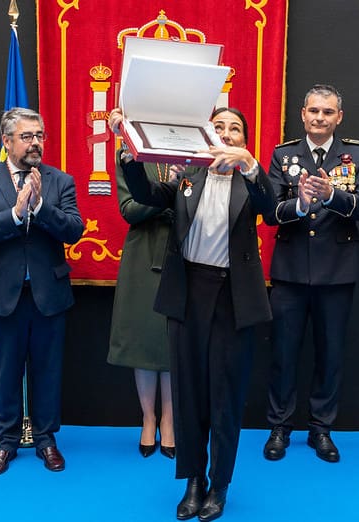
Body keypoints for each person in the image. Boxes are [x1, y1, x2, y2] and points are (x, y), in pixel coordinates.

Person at [109, 107, 275, 522]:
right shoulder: (186, 178)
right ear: (206, 136)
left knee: (225, 397)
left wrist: (251, 165)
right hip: (188, 294)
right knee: (188, 394)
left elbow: (272, 208)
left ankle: (219, 485)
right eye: (218, 127)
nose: (226, 134)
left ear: (244, 141)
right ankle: (194, 481)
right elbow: (144, 195)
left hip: (233, 298)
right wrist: (127, 149)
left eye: (235, 129)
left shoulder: (249, 181)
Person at [0, 107, 84, 475]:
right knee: (6, 373)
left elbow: (73, 230)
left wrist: (41, 206)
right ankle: (5, 442)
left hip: (49, 295)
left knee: (48, 373)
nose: (35, 143)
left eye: (39, 136)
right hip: (3, 296)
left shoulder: (60, 181)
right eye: (27, 136)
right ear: (7, 141)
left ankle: (46, 441)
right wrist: (15, 214)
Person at [262, 84, 359, 463]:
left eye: (327, 112)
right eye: (313, 110)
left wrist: (331, 196)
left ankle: (321, 429)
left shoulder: (356, 155)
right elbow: (269, 212)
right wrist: (300, 203)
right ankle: (280, 427)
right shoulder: (283, 155)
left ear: (338, 117)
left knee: (330, 355)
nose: (319, 118)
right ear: (303, 114)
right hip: (291, 271)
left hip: (337, 273)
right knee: (283, 353)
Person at [108, 159, 176, 459]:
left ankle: (169, 420)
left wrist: (165, 199)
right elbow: (129, 210)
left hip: (183, 251)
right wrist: (168, 195)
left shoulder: (195, 153)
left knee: (173, 339)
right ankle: (148, 418)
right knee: (143, 341)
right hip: (142, 254)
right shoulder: (131, 155)